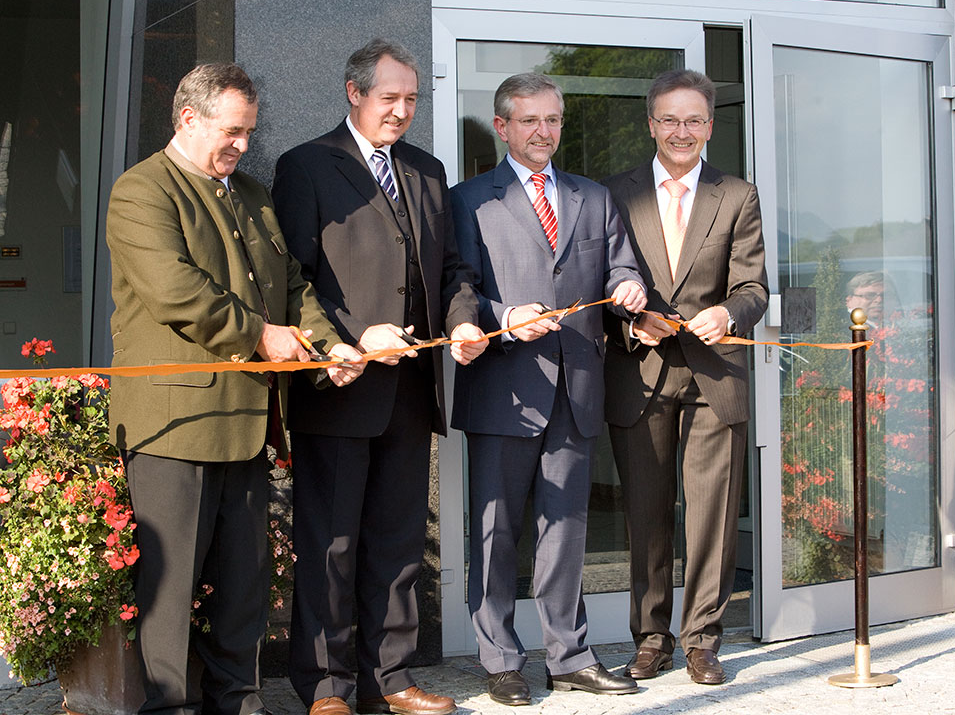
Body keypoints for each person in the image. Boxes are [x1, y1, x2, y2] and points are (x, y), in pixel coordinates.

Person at [106, 63, 364, 715]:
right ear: (187, 118)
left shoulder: (250, 193)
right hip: (173, 426)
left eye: (250, 132)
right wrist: (260, 336)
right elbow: (177, 292)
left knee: (244, 596)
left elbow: (293, 286)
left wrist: (325, 346)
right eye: (232, 131)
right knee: (169, 599)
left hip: (247, 424)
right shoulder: (141, 192)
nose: (244, 145)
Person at [271, 39, 487, 715]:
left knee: (396, 547)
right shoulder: (305, 166)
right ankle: (327, 688)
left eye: (411, 100)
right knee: (330, 546)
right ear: (353, 92)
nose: (401, 111)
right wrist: (349, 338)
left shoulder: (425, 169)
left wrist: (462, 321)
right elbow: (291, 280)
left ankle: (390, 679)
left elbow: (450, 269)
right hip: (337, 392)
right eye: (389, 98)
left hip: (410, 393)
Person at [450, 72, 648, 707]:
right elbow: (457, 286)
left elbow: (619, 263)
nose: (544, 132)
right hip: (505, 385)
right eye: (530, 121)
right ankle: (501, 659)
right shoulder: (469, 199)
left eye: (553, 121)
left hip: (577, 387)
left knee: (566, 533)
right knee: (496, 530)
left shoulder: (593, 197)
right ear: (503, 126)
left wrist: (630, 290)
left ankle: (570, 657)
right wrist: (502, 317)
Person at [602, 69, 768, 685]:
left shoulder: (738, 195)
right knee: (645, 515)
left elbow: (754, 286)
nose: (681, 131)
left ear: (710, 126)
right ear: (650, 124)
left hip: (713, 376)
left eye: (693, 119)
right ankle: (651, 638)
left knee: (711, 517)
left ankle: (702, 639)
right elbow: (598, 281)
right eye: (669, 119)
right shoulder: (613, 193)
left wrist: (728, 311)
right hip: (638, 373)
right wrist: (627, 321)